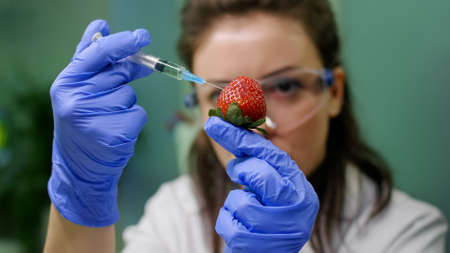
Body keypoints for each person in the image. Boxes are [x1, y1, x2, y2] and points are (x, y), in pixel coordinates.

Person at [43, 0, 448, 252]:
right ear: (198, 108)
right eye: (220, 99)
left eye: (286, 86)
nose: (259, 125)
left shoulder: (406, 231)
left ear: (335, 92)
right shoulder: (173, 215)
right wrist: (79, 195)